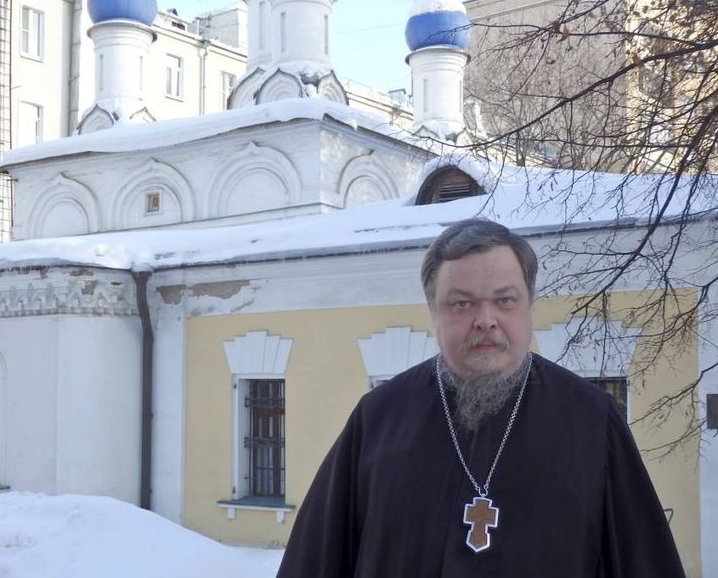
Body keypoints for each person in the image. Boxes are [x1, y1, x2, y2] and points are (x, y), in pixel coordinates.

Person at [276, 218, 686, 577]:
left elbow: (643, 561)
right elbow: (315, 560)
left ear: (529, 307)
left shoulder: (592, 419)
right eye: (462, 303)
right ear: (434, 311)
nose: (486, 320)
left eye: (505, 300)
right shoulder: (379, 418)